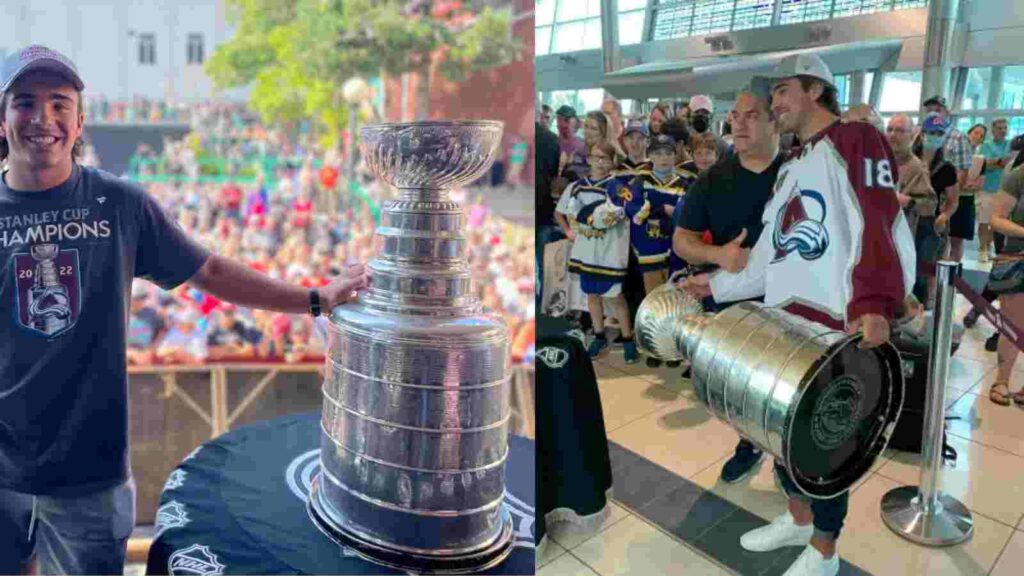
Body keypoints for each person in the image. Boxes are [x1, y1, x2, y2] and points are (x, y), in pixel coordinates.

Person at [0, 45, 368, 574]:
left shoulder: (120, 205)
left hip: (89, 474)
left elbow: (212, 272)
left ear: (80, 121)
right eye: (25, 102)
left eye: (60, 104)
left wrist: (314, 298)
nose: (43, 119)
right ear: (3, 115)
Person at [682, 54, 915, 576]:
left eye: (783, 92)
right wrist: (716, 283)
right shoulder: (794, 165)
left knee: (826, 448)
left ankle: (825, 554)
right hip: (786, 328)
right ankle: (797, 521)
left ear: (815, 89)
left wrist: (876, 302)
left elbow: (881, 222)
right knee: (783, 439)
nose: (775, 104)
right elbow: (769, 257)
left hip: (837, 328)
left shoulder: (857, 141)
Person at [674, 89, 786, 487]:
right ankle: (748, 443)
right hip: (733, 301)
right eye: (735, 116)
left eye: (752, 116)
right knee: (743, 386)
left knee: (788, 386)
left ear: (776, 121)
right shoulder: (713, 178)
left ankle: (788, 461)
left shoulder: (795, 173)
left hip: (792, 302)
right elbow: (681, 240)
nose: (738, 123)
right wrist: (720, 255)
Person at [555, 141, 637, 363]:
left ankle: (628, 338)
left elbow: (628, 212)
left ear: (613, 162)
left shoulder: (620, 188)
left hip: (610, 252)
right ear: (588, 159)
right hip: (586, 252)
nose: (600, 162)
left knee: (616, 296)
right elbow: (560, 212)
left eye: (605, 158)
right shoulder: (577, 187)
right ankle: (599, 335)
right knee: (592, 295)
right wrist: (568, 231)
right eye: (595, 157)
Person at [914, 113, 960, 308]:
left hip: (932, 223)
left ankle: (926, 303)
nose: (935, 136)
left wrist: (944, 215)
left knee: (927, 265)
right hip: (907, 219)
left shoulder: (947, 168)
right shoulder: (908, 161)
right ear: (922, 133)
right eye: (931, 132)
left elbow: (953, 200)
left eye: (939, 133)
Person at [988, 156, 1024, 406]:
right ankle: (1001, 380)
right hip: (1018, 259)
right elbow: (997, 218)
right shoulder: (1019, 175)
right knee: (1013, 326)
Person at [923, 95, 973, 262]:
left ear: (947, 112)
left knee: (946, 248)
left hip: (944, 200)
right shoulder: (920, 134)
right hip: (923, 204)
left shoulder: (959, 137)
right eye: (929, 110)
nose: (933, 114)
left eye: (937, 110)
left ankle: (950, 282)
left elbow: (962, 173)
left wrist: (947, 203)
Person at [974, 118, 1011, 263]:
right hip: (988, 189)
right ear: (993, 130)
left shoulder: (1010, 145)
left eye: (1005, 128)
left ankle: (996, 250)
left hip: (1005, 191)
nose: (1003, 131)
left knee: (1000, 222)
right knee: (985, 221)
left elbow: (1011, 164)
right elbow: (985, 165)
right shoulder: (986, 146)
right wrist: (1000, 162)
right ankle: (983, 249)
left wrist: (996, 162)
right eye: (1000, 128)